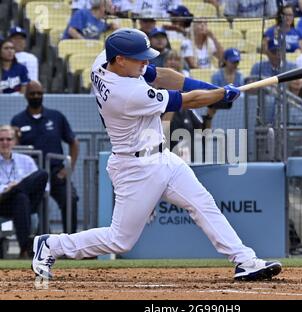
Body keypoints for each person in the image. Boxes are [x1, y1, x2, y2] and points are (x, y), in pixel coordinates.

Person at [31, 28, 282, 281]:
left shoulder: (104, 61)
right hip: (135, 168)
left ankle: (244, 260)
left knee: (203, 203)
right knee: (120, 241)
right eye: (140, 58)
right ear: (120, 60)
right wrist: (221, 94)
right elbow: (189, 101)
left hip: (163, 156)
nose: (146, 62)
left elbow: (163, 75)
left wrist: (216, 90)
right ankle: (51, 244)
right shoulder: (127, 94)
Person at [11, 81, 80, 234]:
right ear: (26, 95)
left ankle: (71, 243)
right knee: (28, 204)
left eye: (39, 93)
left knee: (70, 199)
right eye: (32, 94)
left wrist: (68, 169)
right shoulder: (18, 120)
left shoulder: (56, 117)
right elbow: (13, 148)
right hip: (31, 175)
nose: (36, 96)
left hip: (55, 172)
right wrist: (14, 137)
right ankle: (35, 242)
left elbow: (74, 143)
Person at [0, 125, 48, 258]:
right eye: (1, 139)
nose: (5, 143)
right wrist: (7, 188)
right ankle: (25, 249)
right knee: (20, 196)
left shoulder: (26, 160)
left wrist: (17, 187)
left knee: (42, 175)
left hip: (26, 204)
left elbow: (45, 187)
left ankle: (24, 248)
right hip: (2, 203)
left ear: (14, 141)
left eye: (8, 139)